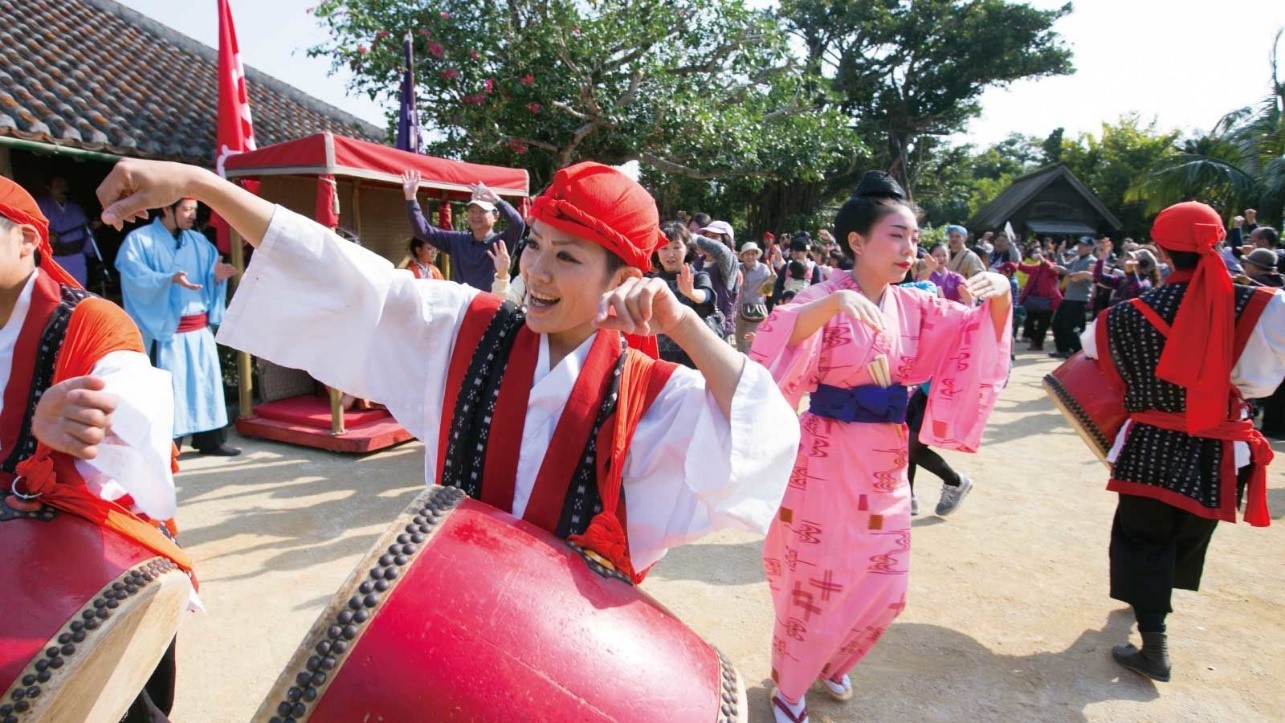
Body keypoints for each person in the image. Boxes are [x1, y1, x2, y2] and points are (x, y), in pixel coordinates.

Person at [97, 158, 798, 592]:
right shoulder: (462, 329)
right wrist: (203, 185)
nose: (538, 272)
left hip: (567, 648)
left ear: (623, 276)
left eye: (568, 258)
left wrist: (682, 326)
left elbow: (762, 429)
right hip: (445, 608)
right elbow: (343, 276)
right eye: (536, 246)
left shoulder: (651, 396)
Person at [750, 171, 1012, 723]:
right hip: (823, 455)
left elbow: (972, 333)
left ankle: (835, 659)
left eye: (915, 239)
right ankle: (791, 685)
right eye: (897, 235)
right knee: (817, 577)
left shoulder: (915, 306)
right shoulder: (822, 296)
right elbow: (776, 338)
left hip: (886, 459)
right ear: (856, 242)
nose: (910, 250)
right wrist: (833, 306)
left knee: (884, 581)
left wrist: (1002, 296)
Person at [1, 175, 193, 722]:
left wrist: (93, 420)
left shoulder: (87, 321)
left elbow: (137, 395)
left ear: (27, 241)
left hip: (89, 558)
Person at [1079, 201, 1285, 683]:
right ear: (1217, 242)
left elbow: (1090, 353)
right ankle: (1154, 600)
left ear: (1162, 250)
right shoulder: (1264, 305)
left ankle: (1154, 644)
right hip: (1220, 445)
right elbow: (1265, 374)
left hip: (1149, 441)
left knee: (1143, 536)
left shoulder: (1121, 316)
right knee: (1188, 532)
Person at [115, 198, 239, 456]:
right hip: (168, 331)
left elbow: (210, 271)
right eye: (186, 209)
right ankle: (169, 446)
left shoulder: (199, 242)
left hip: (198, 328)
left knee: (205, 384)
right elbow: (134, 276)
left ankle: (211, 440)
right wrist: (167, 279)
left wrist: (217, 276)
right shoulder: (139, 241)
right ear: (165, 208)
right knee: (170, 390)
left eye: (194, 209)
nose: (192, 215)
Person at [402, 170, 525, 291]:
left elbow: (518, 223)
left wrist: (496, 200)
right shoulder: (458, 240)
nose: (475, 215)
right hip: (462, 308)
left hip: (491, 307)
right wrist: (411, 198)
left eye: (482, 211)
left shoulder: (501, 243)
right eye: (472, 210)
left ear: (496, 216)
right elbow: (423, 231)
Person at [652, 222, 722, 367]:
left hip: (692, 354)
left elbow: (706, 295)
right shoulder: (649, 281)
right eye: (664, 248)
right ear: (656, 252)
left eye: (677, 247)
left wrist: (691, 293)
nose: (670, 254)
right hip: (657, 355)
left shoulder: (698, 276)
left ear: (687, 249)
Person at [35, 176, 100, 288]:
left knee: (78, 291)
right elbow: (32, 226)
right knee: (57, 293)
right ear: (48, 188)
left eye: (64, 186)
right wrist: (46, 236)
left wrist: (89, 250)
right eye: (58, 186)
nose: (62, 189)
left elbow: (87, 232)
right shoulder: (40, 206)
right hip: (54, 259)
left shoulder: (76, 208)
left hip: (77, 258)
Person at [1049, 236, 1096, 359]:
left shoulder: (1091, 261)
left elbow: (1077, 278)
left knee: (1070, 327)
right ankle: (1063, 349)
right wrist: (1059, 253)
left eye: (1084, 245)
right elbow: (1064, 266)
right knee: (1056, 323)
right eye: (1079, 245)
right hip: (1069, 297)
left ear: (1091, 248)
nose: (1080, 247)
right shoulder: (1077, 259)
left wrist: (1064, 271)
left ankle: (1079, 351)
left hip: (1079, 299)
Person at [695, 220, 739, 340]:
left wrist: (688, 236)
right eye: (706, 236)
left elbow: (721, 251)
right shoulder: (697, 262)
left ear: (726, 241)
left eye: (714, 237)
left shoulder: (730, 263)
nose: (708, 241)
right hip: (696, 327)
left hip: (719, 330)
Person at [1016, 250, 1061, 351]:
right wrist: (1016, 254)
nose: (1040, 257)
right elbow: (1022, 267)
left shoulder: (1054, 267)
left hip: (1048, 302)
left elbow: (1052, 270)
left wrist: (1043, 260)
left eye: (1044, 256)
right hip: (1032, 301)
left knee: (1043, 325)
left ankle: (1038, 344)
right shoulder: (1036, 268)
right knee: (1028, 324)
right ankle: (1035, 340)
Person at [1094, 240, 1159, 307]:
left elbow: (1135, 289)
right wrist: (1101, 258)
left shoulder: (1146, 283)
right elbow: (1098, 276)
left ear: (1143, 264)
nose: (1127, 260)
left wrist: (1131, 271)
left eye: (1132, 258)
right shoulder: (1124, 280)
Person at [736, 241, 774, 354]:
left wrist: (772, 277)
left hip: (756, 312)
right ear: (742, 256)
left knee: (752, 344)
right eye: (747, 254)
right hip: (739, 310)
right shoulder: (737, 268)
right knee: (740, 342)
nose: (750, 256)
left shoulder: (764, 269)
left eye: (753, 253)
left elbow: (767, 292)